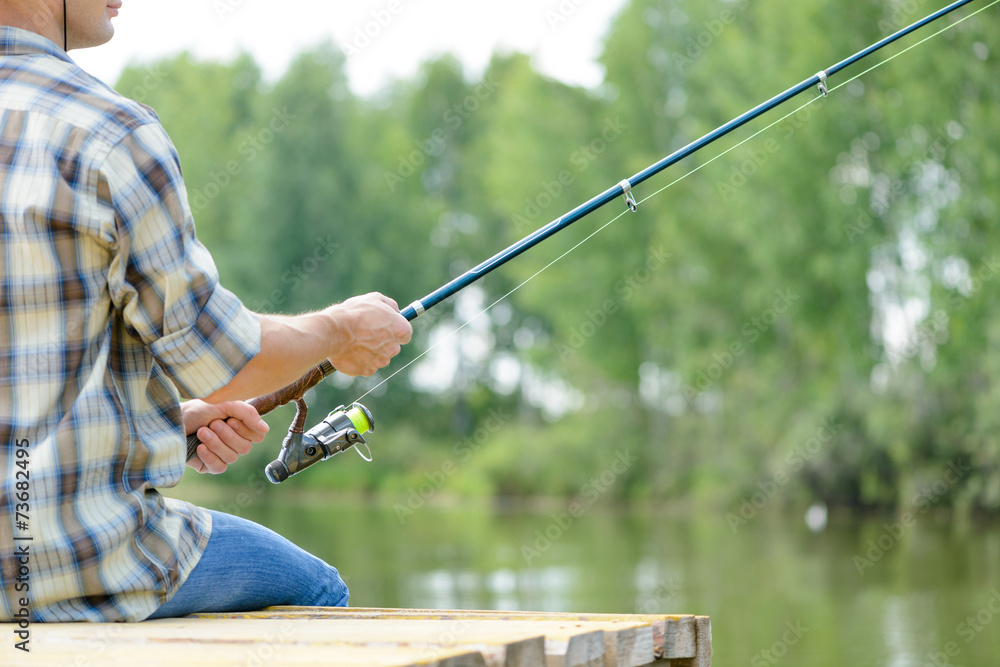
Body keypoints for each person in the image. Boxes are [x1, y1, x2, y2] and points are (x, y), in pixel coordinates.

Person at [0, 0, 413, 622]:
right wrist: (342, 329)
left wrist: (164, 426)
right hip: (69, 565)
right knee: (319, 592)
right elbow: (226, 362)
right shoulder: (107, 131)